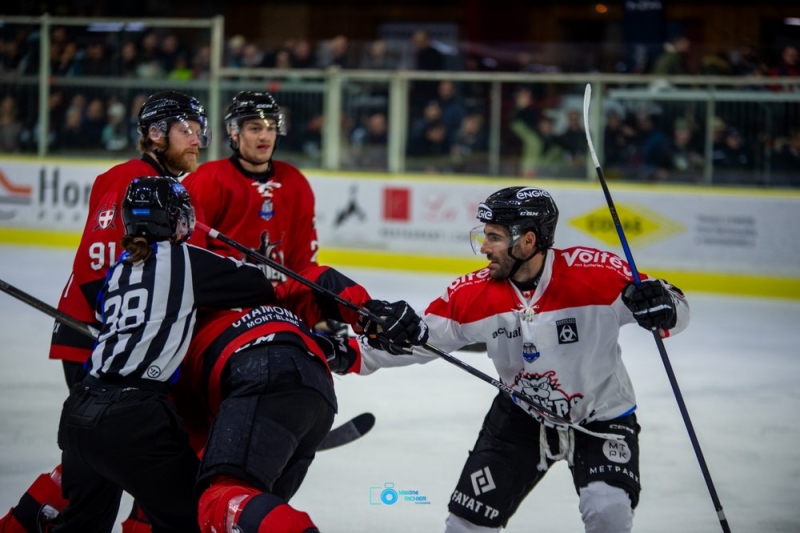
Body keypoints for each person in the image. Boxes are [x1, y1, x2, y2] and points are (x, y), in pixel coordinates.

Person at [355, 186, 690, 532]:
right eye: (484, 236)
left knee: (609, 513)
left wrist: (664, 307)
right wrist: (351, 354)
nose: (484, 248)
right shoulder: (473, 294)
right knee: (464, 526)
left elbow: (674, 310)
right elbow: (422, 339)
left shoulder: (596, 275)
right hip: (521, 416)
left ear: (528, 242)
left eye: (494, 238)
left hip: (602, 415)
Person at [0, 90, 209, 533]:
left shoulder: (168, 185)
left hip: (119, 342)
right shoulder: (132, 175)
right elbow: (95, 263)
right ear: (155, 134)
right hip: (98, 342)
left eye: (199, 131)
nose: (197, 140)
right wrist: (129, 325)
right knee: (116, 467)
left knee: (96, 469)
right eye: (186, 130)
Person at [52, 176, 280, 533]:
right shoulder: (185, 259)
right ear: (173, 219)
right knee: (191, 520)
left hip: (80, 411)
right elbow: (258, 285)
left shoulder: (120, 269)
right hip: (135, 419)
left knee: (81, 527)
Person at [182, 90, 317, 285]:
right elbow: (190, 250)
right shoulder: (207, 179)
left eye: (270, 128)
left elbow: (304, 257)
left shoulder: (295, 182)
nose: (265, 136)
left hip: (280, 299)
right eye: (255, 129)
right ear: (233, 131)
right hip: (226, 298)